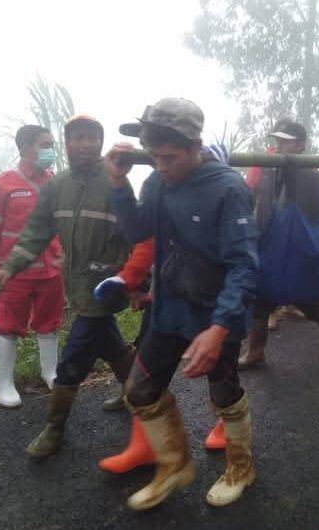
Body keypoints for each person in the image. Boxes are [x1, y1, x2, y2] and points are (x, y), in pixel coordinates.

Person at [104, 97, 258, 510]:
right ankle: (173, 465)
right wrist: (119, 186)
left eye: (170, 157)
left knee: (223, 394)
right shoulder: (157, 180)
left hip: (215, 315)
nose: (162, 166)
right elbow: (138, 229)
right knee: (139, 388)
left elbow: (244, 266)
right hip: (169, 309)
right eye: (155, 158)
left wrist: (220, 328)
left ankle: (241, 467)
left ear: (195, 146)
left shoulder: (227, 189)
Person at [0, 115, 135, 456]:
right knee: (110, 343)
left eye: (93, 138)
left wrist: (136, 280)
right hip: (77, 286)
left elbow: (135, 234)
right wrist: (9, 267)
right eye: (79, 138)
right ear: (67, 143)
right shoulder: (58, 187)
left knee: (73, 359)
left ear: (101, 143)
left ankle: (55, 426)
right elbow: (36, 232)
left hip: (106, 285)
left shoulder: (116, 183)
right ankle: (136, 391)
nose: (86, 144)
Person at [238, 119, 319, 369]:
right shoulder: (268, 170)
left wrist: (312, 246)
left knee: (306, 299)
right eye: (278, 140)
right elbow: (255, 203)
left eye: (286, 141)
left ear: (299, 146)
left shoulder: (311, 176)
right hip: (268, 244)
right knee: (261, 299)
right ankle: (256, 351)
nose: (279, 145)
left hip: (297, 245)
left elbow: (318, 215)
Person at [0, 125, 64, 407]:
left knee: (49, 323)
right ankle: (4, 383)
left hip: (51, 269)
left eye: (51, 144)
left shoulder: (54, 182)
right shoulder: (2, 184)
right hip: (13, 272)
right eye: (45, 144)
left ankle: (50, 372)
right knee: (7, 325)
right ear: (26, 148)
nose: (51, 150)